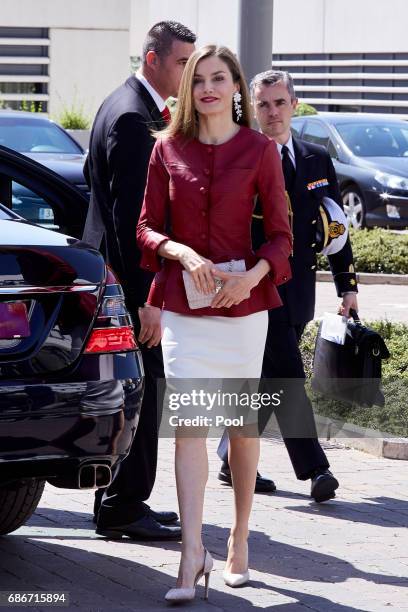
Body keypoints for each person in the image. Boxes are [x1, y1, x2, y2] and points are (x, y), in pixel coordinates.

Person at [137, 46, 292, 602]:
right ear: (187, 90)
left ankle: (240, 537)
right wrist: (180, 252)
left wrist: (253, 276)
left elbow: (281, 236)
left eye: (218, 78)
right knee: (189, 427)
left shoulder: (259, 150)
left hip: (243, 308)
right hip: (185, 308)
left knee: (241, 428)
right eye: (198, 79)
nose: (206, 88)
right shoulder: (166, 150)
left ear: (234, 87)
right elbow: (146, 229)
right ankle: (189, 555)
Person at [217, 70, 359, 502]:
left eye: (280, 103)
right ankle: (315, 467)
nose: (272, 112)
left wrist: (346, 286)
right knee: (287, 375)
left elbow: (336, 227)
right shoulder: (242, 156)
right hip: (257, 288)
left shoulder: (317, 160)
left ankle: (230, 458)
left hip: (298, 290)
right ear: (253, 109)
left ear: (294, 105)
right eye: (264, 104)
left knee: (266, 380)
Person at [82, 21, 196, 540]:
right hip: (131, 283)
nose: (189, 71)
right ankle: (125, 505)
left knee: (136, 389)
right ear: (153, 59)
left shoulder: (123, 103)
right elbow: (134, 222)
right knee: (144, 391)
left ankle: (115, 500)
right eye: (181, 62)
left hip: (115, 276)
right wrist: (148, 298)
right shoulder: (132, 117)